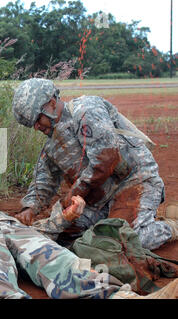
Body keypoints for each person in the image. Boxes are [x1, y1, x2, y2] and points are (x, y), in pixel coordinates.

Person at [0, 184, 178, 299]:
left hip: (11, 230)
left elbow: (38, 231)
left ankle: (122, 299)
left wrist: (63, 219)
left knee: (61, 260)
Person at [12, 79, 177, 251]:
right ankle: (122, 219)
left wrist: (73, 196)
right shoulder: (52, 146)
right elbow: (43, 180)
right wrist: (29, 208)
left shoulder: (86, 110)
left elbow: (106, 159)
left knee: (128, 241)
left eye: (37, 120)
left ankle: (172, 226)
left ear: (51, 103)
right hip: (97, 201)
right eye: (32, 125)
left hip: (134, 182)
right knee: (62, 238)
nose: (36, 127)